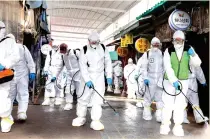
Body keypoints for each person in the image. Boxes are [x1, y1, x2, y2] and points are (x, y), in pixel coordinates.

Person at [160, 30, 201, 137]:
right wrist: (173, 80)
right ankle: (165, 126)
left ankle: (177, 127)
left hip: (183, 80)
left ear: (183, 40)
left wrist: (194, 55)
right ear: (173, 40)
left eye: (180, 39)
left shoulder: (189, 49)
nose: (178, 41)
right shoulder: (168, 50)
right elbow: (167, 67)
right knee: (167, 104)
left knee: (180, 104)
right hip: (169, 81)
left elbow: (197, 64)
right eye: (176, 39)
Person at [72, 32, 112, 131]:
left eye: (96, 42)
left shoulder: (103, 48)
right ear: (89, 41)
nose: (94, 44)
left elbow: (108, 62)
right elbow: (82, 66)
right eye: (92, 42)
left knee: (98, 99)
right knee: (83, 98)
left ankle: (96, 120)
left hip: (99, 77)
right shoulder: (84, 50)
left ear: (99, 41)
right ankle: (81, 117)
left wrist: (109, 75)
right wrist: (87, 80)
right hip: (87, 77)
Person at [0, 21, 20, 132]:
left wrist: (4, 65)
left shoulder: (9, 42)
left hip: (4, 76)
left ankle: (6, 120)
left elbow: (15, 56)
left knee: (3, 100)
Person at [9, 42, 35, 121]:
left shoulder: (23, 48)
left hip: (22, 74)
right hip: (10, 74)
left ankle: (22, 113)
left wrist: (32, 71)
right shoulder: (5, 48)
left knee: (23, 93)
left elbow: (30, 60)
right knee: (9, 95)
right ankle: (7, 113)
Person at [140, 37, 164, 122]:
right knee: (148, 98)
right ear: (151, 44)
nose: (156, 46)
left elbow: (165, 68)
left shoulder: (163, 54)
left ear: (159, 45)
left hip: (160, 79)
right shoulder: (147, 54)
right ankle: (147, 115)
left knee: (160, 98)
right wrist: (145, 78)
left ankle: (160, 116)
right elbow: (144, 68)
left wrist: (163, 78)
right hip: (150, 79)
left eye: (157, 44)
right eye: (154, 44)